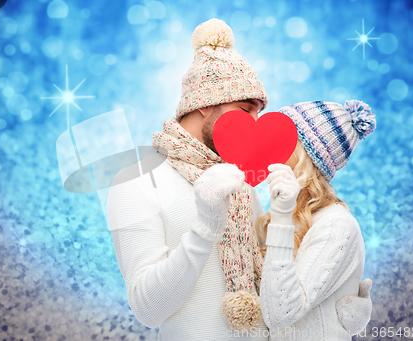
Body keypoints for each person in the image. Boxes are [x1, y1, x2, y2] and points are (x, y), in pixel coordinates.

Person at [107, 19, 372, 341]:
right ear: (204, 105)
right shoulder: (134, 182)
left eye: (259, 113)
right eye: (247, 110)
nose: (255, 126)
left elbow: (276, 283)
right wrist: (205, 228)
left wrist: (336, 312)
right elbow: (148, 310)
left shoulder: (242, 186)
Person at [257, 100, 376, 340]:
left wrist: (280, 218)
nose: (270, 145)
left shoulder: (336, 225)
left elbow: (281, 314)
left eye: (283, 139)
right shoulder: (286, 214)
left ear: (307, 156)